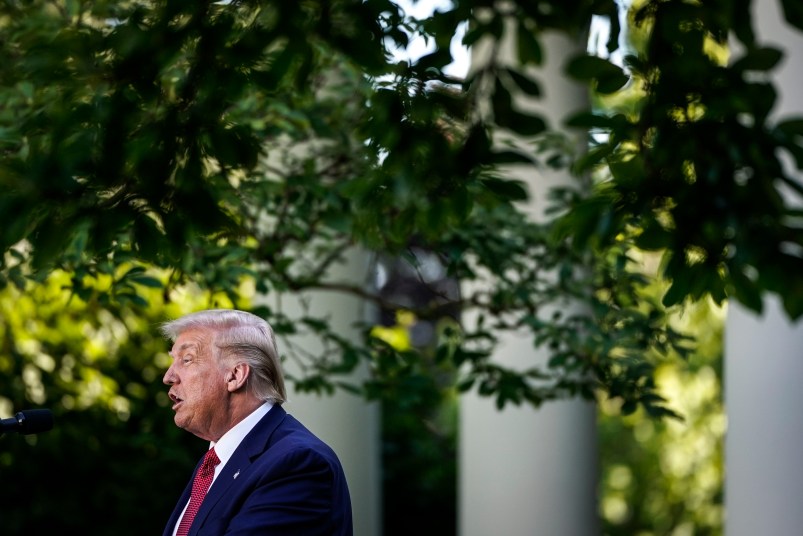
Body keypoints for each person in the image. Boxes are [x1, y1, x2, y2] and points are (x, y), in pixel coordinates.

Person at [160, 308, 353, 536]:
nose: (168, 377)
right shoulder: (214, 463)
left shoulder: (297, 463)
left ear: (235, 376)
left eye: (187, 359)